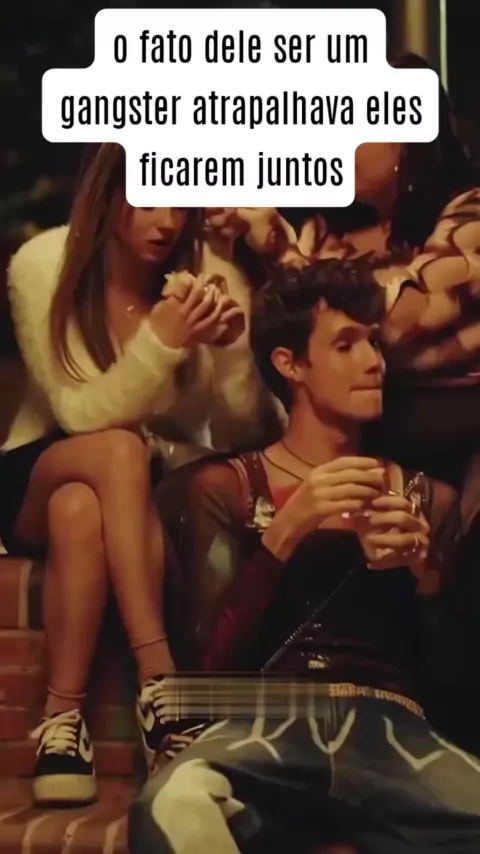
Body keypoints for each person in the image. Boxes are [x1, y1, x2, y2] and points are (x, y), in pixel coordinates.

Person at [128, 259, 479, 854]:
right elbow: (207, 665)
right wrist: (284, 533)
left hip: (391, 732)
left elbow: (454, 688)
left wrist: (427, 576)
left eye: (373, 342)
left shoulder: (429, 499)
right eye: (346, 344)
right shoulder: (230, 488)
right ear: (290, 365)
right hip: (266, 725)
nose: (373, 361)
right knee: (172, 805)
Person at [0, 142, 279, 806]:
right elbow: (77, 411)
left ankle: (61, 726)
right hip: (41, 466)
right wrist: (162, 341)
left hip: (133, 492)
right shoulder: (43, 265)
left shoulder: (209, 277)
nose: (168, 222)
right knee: (116, 452)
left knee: (80, 512)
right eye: (150, 199)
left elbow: (244, 430)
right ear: (109, 194)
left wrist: (231, 349)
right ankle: (161, 682)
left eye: (180, 204)